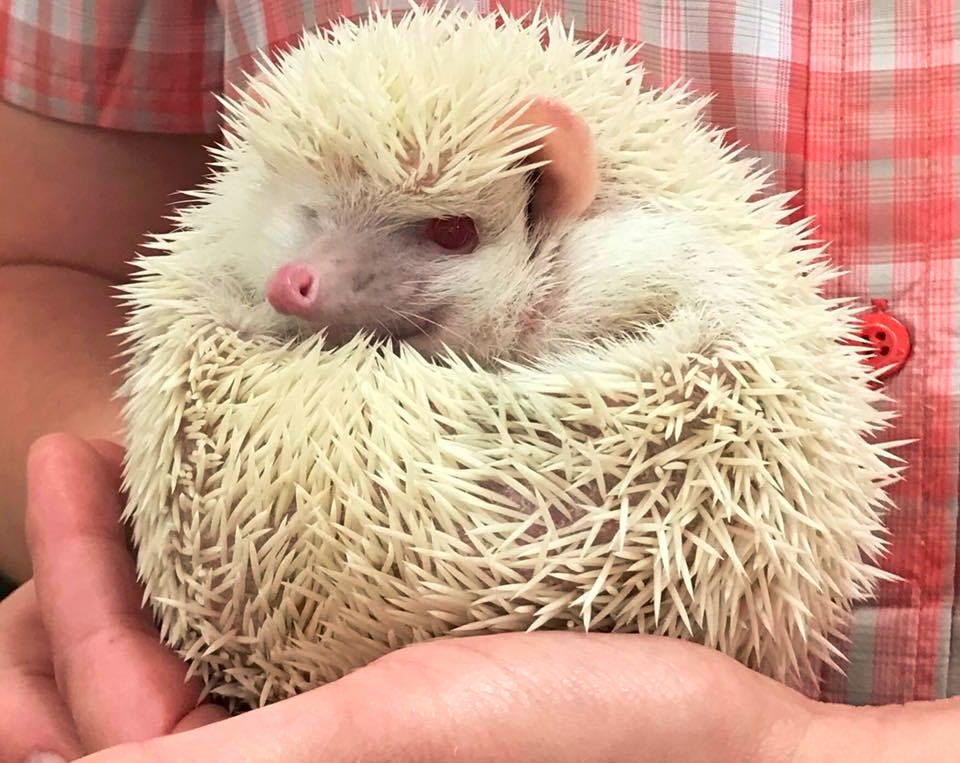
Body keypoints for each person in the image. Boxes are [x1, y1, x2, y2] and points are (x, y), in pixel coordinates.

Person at [1, 0, 958, 760]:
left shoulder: (635, 262)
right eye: (314, 226)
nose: (313, 281)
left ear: (550, 194)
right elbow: (50, 263)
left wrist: (821, 750)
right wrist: (173, 522)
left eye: (443, 233)